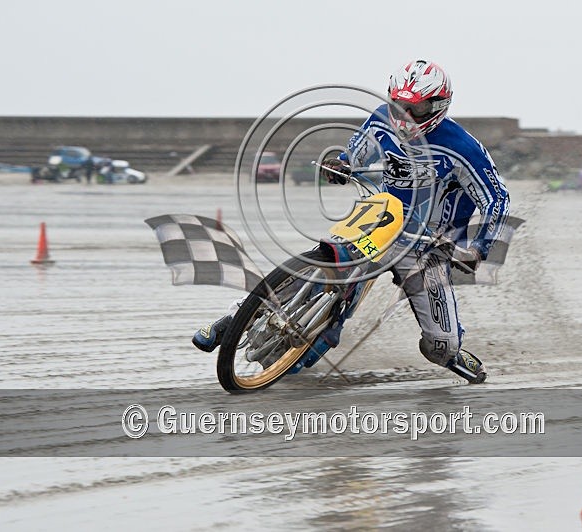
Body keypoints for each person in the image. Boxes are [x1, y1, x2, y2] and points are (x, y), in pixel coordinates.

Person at [194, 59, 510, 384]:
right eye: (399, 105)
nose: (404, 117)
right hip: (382, 221)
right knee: (328, 265)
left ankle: (452, 354)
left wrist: (478, 249)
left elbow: (497, 199)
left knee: (440, 346)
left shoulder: (463, 149)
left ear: (438, 106)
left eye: (415, 109)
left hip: (430, 248)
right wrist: (341, 165)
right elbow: (355, 155)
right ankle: (232, 318)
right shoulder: (380, 120)